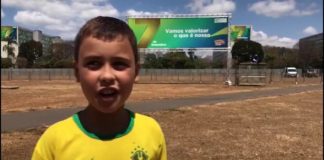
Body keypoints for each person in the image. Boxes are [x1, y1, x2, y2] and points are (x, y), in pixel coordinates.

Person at [32, 16, 167, 160]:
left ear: (136, 72)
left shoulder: (152, 132)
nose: (107, 76)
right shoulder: (53, 142)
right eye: (94, 63)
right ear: (77, 72)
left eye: (119, 64)